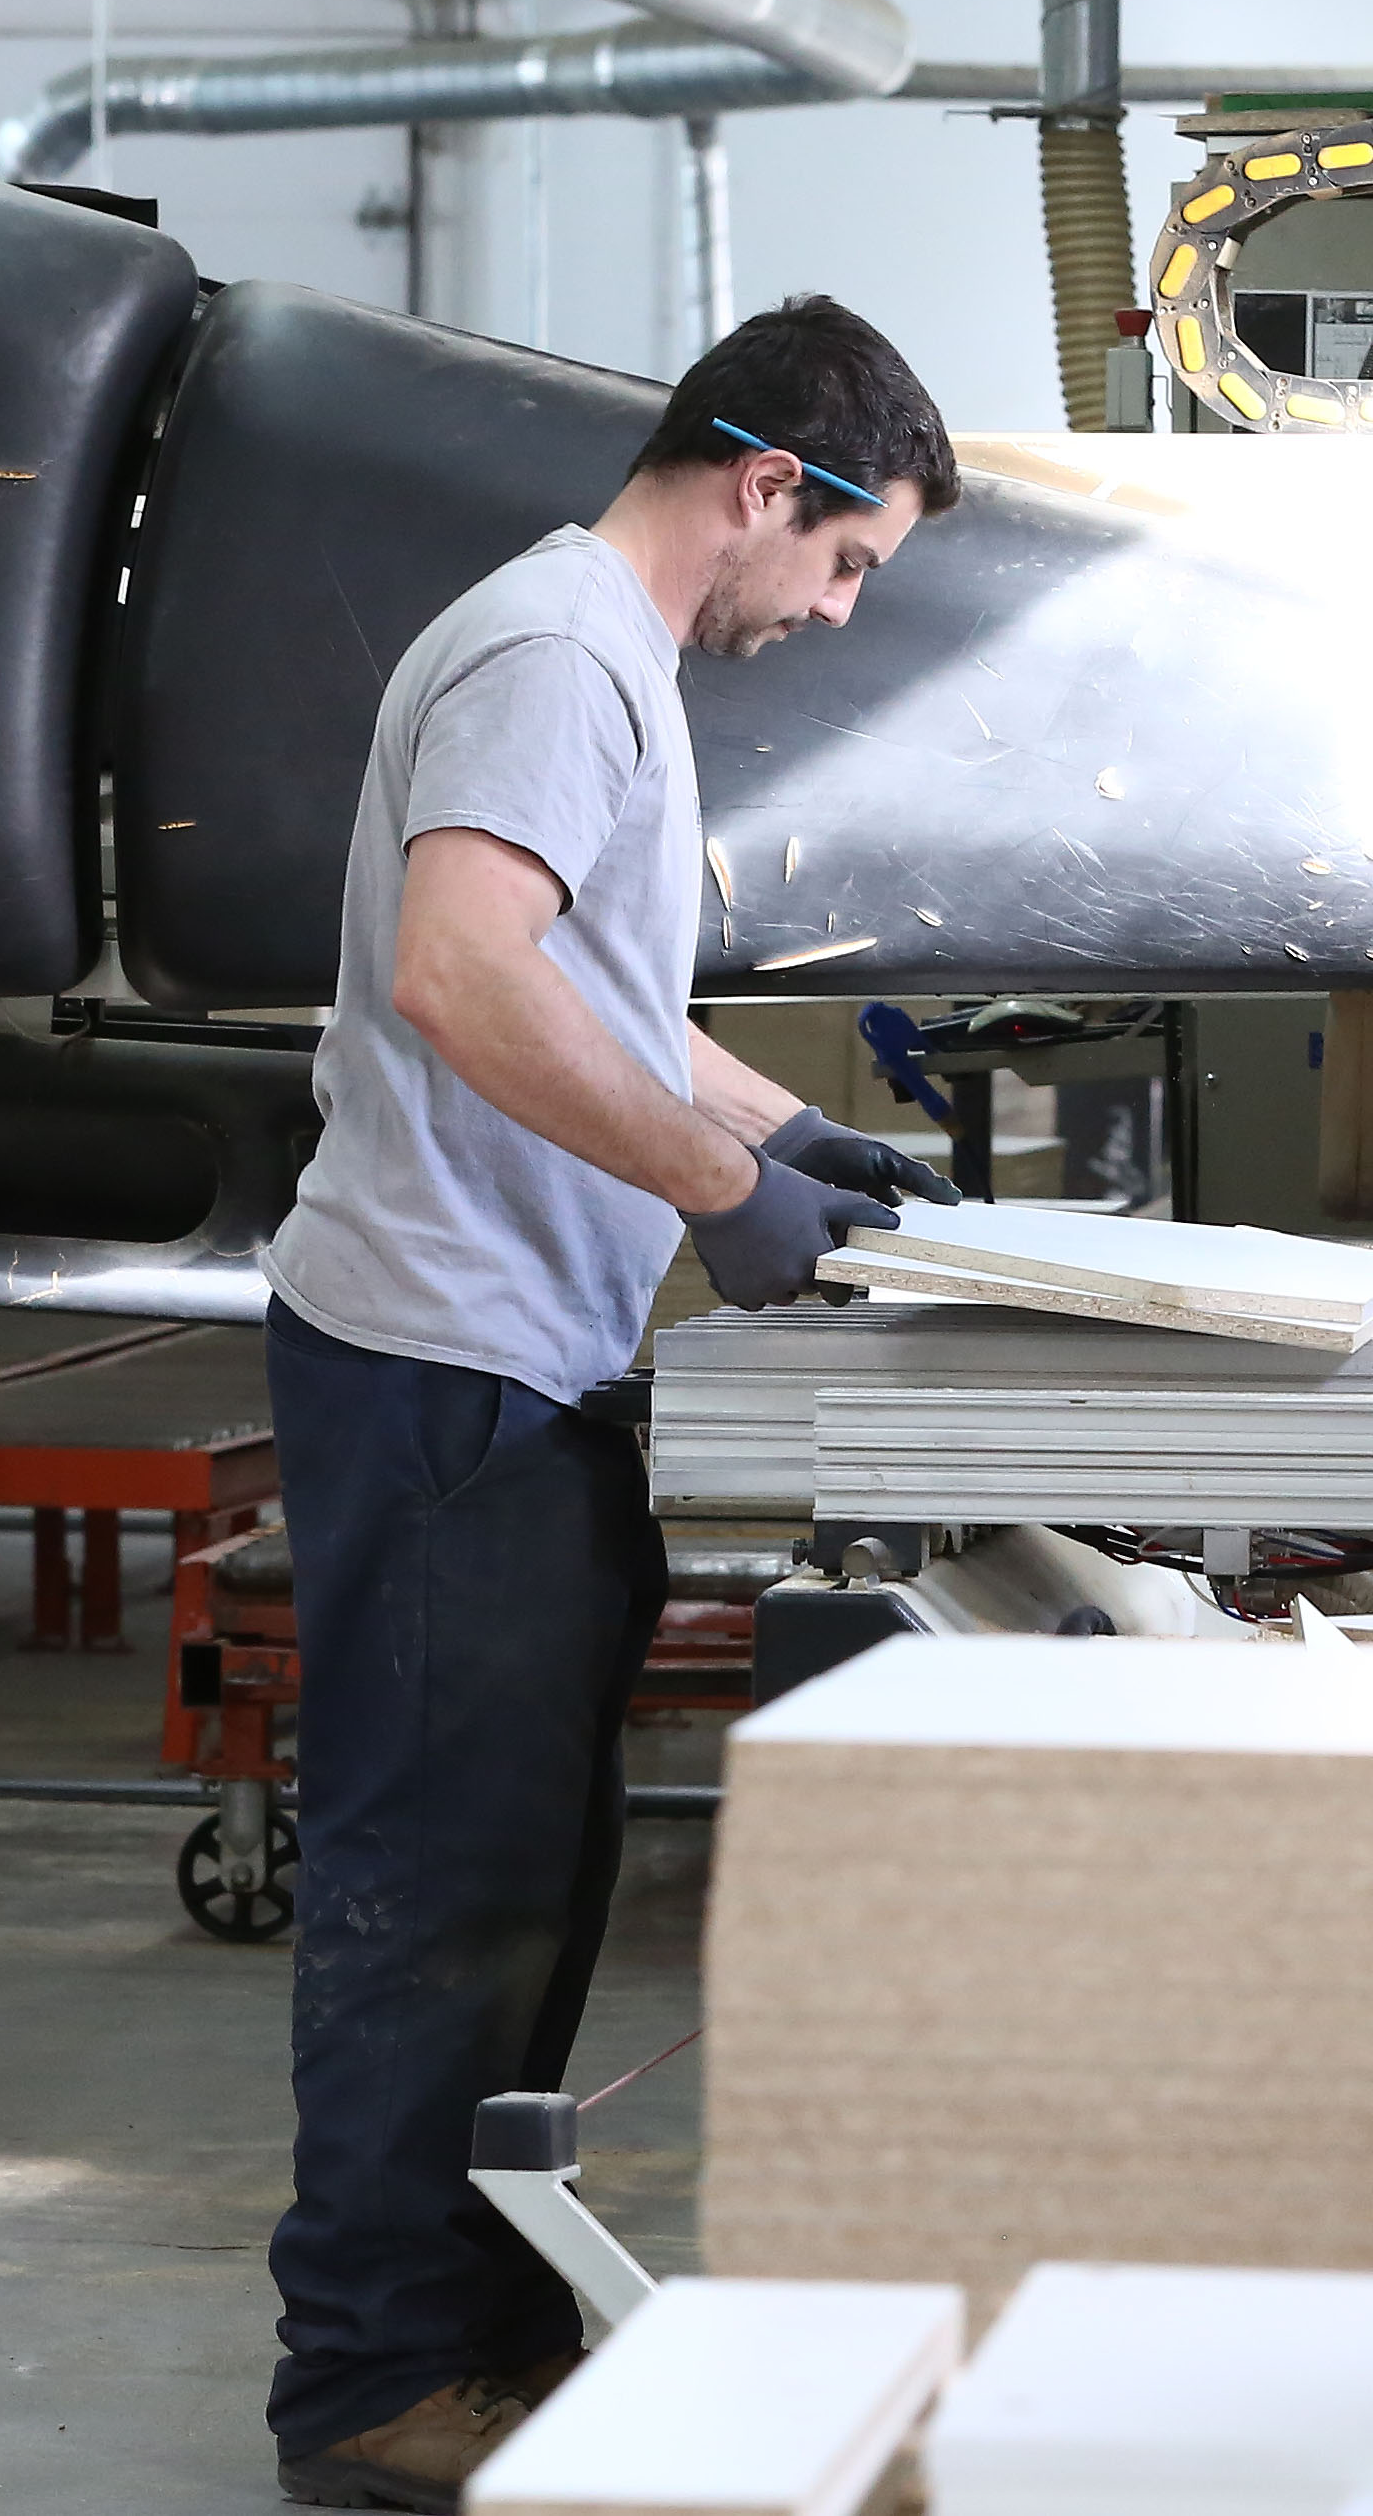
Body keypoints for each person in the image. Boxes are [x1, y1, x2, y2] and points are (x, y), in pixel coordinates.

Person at [257, 296, 963, 2513]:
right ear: (768, 484)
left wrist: (804, 1139)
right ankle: (372, 2382)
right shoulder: (562, 657)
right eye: (847, 564)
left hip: (513, 1346)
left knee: (521, 1876)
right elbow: (458, 970)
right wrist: (721, 1187)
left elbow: (596, 993)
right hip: (442, 1354)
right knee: (442, 1885)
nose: (833, 610)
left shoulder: (599, 662)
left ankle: (479, 2345)